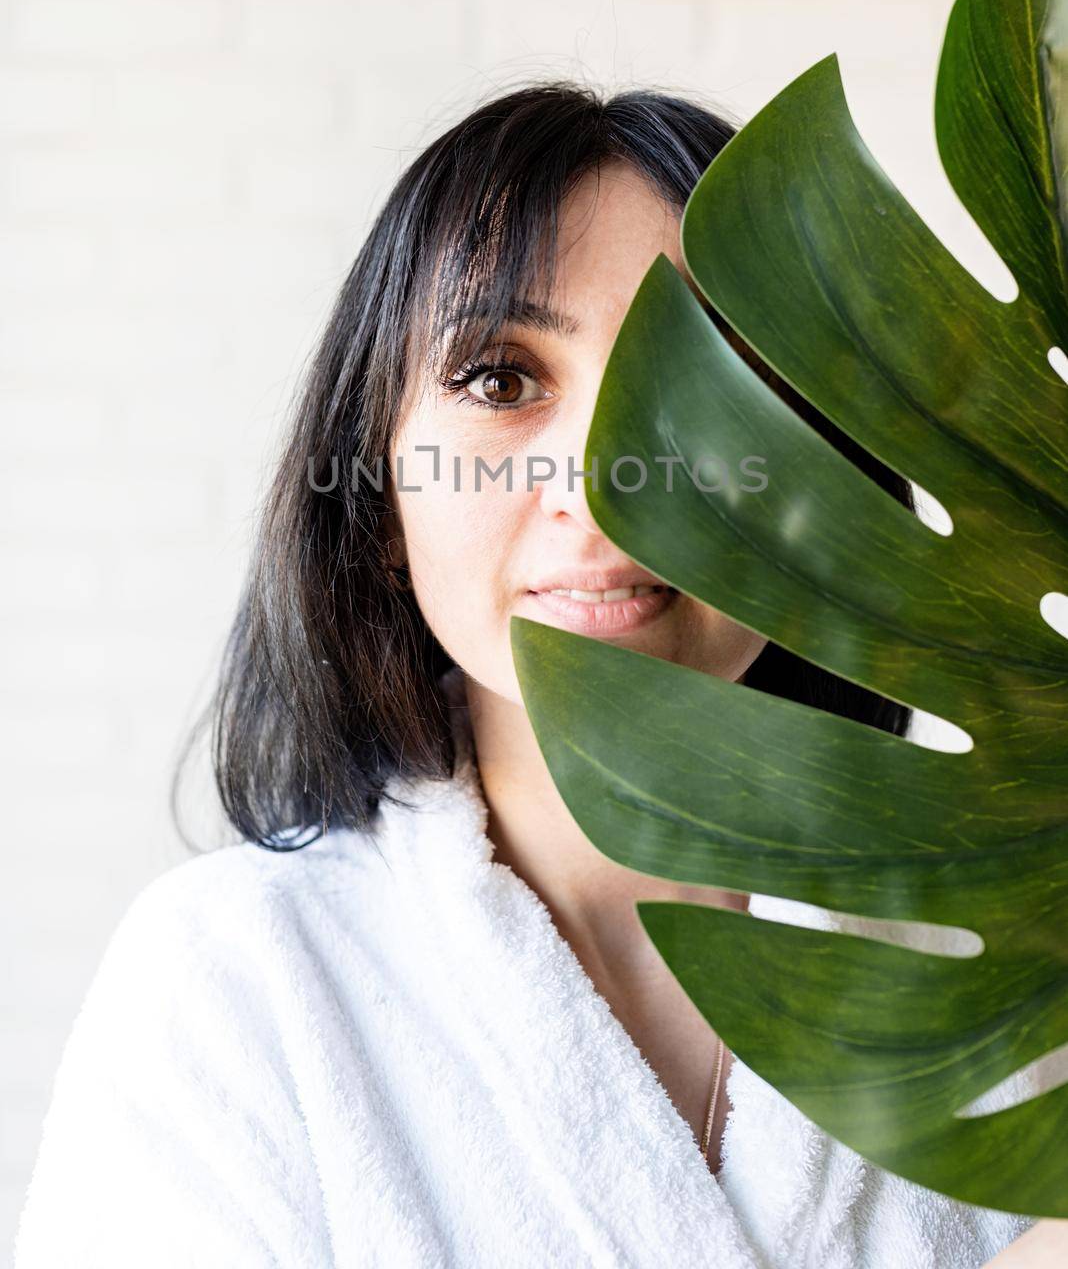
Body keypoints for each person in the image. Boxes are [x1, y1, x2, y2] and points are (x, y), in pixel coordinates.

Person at [14, 83, 1059, 1267]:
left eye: (706, 375)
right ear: (378, 477)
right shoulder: (235, 988)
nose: (609, 483)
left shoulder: (1019, 958)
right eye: (503, 381)